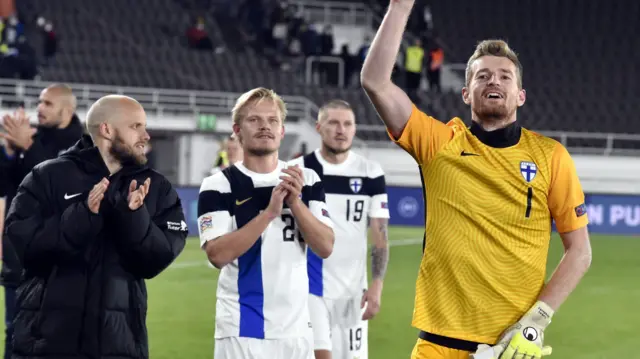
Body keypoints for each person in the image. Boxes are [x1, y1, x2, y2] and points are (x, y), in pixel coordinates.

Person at [361, 1, 593, 359]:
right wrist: (400, 6)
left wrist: (536, 323)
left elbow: (580, 251)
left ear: (520, 95)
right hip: (437, 345)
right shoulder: (439, 144)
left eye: (504, 76)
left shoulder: (550, 156)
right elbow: (375, 81)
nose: (493, 81)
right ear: (467, 93)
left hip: (510, 347)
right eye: (482, 76)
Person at [3, 95, 188, 359]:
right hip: (46, 346)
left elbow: (156, 260)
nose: (146, 135)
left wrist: (133, 217)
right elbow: (21, 249)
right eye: (136, 126)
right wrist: (83, 215)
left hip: (118, 347)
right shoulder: (47, 176)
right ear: (106, 129)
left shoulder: (156, 188)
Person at [197, 87, 335, 359]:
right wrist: (269, 214)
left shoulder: (306, 179)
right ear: (237, 130)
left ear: (282, 131)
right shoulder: (218, 185)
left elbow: (326, 246)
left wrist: (295, 203)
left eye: (273, 120)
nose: (265, 126)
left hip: (296, 332)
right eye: (254, 120)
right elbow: (217, 254)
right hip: (240, 328)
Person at [289, 100, 390, 359]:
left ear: (355, 129)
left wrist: (376, 286)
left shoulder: (370, 172)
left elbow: (380, 235)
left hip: (354, 293)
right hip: (311, 290)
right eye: (333, 123)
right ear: (318, 127)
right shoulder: (300, 170)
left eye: (347, 124)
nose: (340, 130)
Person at [0, 83, 84, 359]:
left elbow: (62, 188)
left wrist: (28, 146)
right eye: (39, 101)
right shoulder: (34, 138)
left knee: (55, 338)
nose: (39, 107)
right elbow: (7, 187)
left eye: (48, 103)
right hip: (20, 258)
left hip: (58, 264)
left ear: (67, 110)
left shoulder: (82, 145)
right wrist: (10, 152)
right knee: (13, 333)